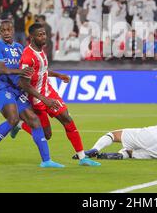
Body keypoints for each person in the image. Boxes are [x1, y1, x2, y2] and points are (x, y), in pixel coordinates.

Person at [0, 20, 64, 169]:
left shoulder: (19, 48)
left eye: (8, 29)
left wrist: (56, 75)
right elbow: (1, 69)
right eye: (2, 30)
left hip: (17, 90)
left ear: (13, 30)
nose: (6, 33)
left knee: (34, 120)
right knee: (13, 118)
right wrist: (20, 72)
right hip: (2, 88)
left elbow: (34, 69)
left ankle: (46, 161)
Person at [11, 23, 101, 167]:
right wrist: (44, 99)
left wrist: (58, 75)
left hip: (49, 92)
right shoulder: (28, 57)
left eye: (44, 34)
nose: (43, 37)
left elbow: (43, 70)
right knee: (46, 135)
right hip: (37, 99)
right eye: (40, 35)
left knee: (67, 119)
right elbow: (23, 84)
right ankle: (20, 124)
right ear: (32, 37)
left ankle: (82, 157)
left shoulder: (41, 51)